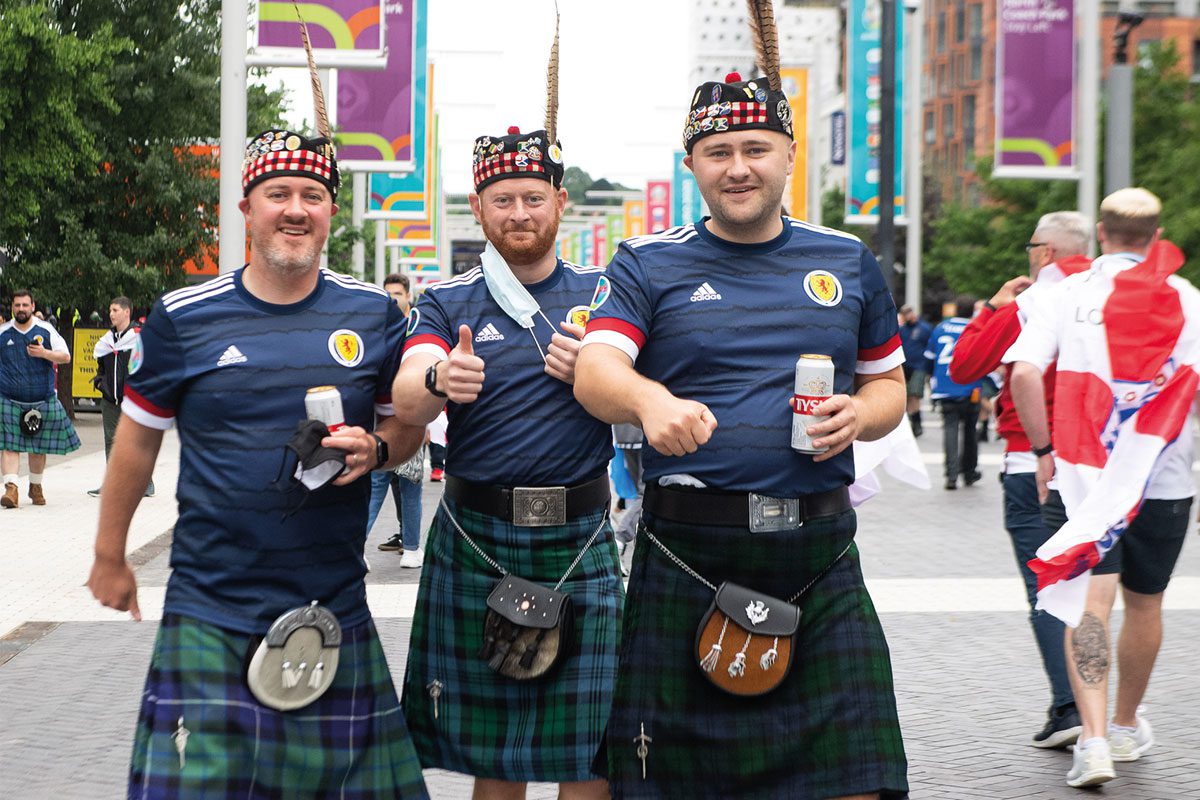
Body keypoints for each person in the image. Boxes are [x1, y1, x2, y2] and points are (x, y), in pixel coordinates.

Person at [574, 65, 908, 798]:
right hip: (688, 549)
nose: (738, 168)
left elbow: (889, 386)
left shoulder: (846, 260)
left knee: (855, 776)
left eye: (756, 148)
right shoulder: (646, 262)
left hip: (817, 552)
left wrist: (863, 412)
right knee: (667, 780)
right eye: (718, 152)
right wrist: (649, 400)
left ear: (789, 154)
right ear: (691, 163)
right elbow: (596, 372)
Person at [86, 118, 430, 797]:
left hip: (331, 602)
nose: (296, 209)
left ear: (332, 209)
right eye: (279, 193)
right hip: (212, 605)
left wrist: (383, 448)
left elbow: (405, 428)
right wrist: (109, 553)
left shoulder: (373, 315)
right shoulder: (185, 317)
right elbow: (137, 439)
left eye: (312, 193)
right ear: (247, 208)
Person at [390, 50, 623, 799]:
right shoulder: (447, 300)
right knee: (500, 756)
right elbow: (407, 390)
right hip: (478, 536)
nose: (518, 214)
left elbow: (648, 393)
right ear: (478, 208)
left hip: (581, 535)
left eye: (532, 197)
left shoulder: (609, 295)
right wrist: (437, 379)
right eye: (501, 201)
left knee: (592, 751)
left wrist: (600, 374)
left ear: (560, 202)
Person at [1007, 188, 1197, 788]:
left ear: (1102, 230)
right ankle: (1122, 722)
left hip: (1087, 476)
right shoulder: (1186, 298)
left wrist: (1043, 450)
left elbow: (1027, 373)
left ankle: (1091, 742)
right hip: (1163, 474)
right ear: (1156, 231)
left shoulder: (1065, 294)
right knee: (1146, 603)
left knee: (1092, 603)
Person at [949, 210, 1090, 749]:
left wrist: (992, 307)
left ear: (1047, 252)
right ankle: (1110, 714)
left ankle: (1071, 705)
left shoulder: (1030, 304)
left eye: (1032, 245)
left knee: (1049, 591)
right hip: (1103, 467)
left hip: (1034, 462)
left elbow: (964, 367)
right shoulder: (1115, 297)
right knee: (1101, 594)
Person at [1, 289, 80, 508]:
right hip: (9, 399)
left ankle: (35, 486)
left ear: (32, 306)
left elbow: (65, 356)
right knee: (9, 445)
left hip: (41, 399)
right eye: (17, 305)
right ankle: (11, 489)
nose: (21, 309)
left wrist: (44, 353)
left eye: (25, 305)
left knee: (38, 447)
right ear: (12, 308)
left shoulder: (46, 330)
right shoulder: (3, 332)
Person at [371, 272, 425, 567]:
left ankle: (413, 547)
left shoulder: (416, 328)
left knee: (410, 486)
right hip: (380, 423)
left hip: (412, 417)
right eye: (388, 293)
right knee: (376, 483)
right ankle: (364, 545)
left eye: (397, 293)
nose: (392, 298)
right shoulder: (380, 328)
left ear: (408, 296)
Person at [90, 295, 154, 498]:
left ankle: (145, 484)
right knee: (111, 440)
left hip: (133, 399)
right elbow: (101, 367)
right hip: (110, 399)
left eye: (115, 310)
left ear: (127, 312)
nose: (111, 314)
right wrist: (101, 383)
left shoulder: (140, 336)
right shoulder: (107, 341)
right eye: (110, 310)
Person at [924, 295, 982, 490]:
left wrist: (932, 379)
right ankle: (969, 471)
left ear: (955, 309)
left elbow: (929, 358)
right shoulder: (976, 328)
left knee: (950, 429)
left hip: (945, 387)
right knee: (970, 431)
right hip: (970, 386)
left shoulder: (940, 328)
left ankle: (951, 475)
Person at [898, 304, 932, 435]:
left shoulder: (924, 328)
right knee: (905, 396)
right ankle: (911, 421)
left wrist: (929, 368)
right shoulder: (902, 329)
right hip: (905, 366)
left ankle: (917, 424)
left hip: (919, 366)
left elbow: (930, 347)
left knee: (914, 394)